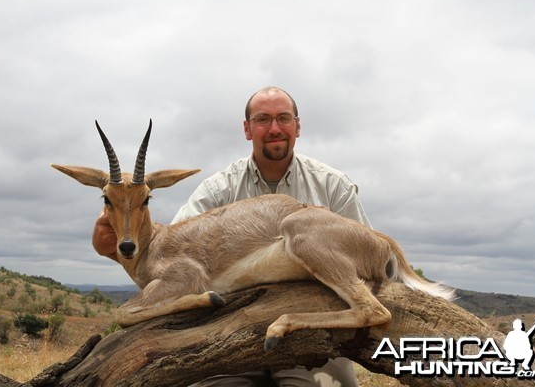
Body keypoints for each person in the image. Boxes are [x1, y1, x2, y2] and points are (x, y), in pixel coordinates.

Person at [92, 86, 370, 386]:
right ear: (248, 129)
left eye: (283, 118)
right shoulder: (218, 190)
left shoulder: (333, 186)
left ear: (297, 125)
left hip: (312, 327)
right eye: (263, 119)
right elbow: (169, 263)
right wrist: (113, 248)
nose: (274, 128)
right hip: (229, 328)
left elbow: (363, 260)